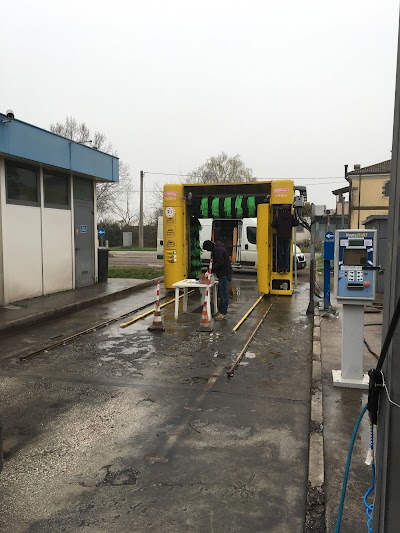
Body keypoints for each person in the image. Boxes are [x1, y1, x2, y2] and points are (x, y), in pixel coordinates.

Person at [202, 240, 232, 320]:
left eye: (207, 249)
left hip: (224, 274)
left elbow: (219, 263)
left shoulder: (218, 250)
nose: (208, 251)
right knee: (221, 293)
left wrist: (210, 270)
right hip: (224, 274)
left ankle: (223, 313)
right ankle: (220, 311)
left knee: (223, 294)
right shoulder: (218, 249)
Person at [271, 205, 299, 273]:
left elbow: (273, 225)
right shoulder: (290, 216)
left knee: (279, 253)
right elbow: (296, 223)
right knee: (286, 253)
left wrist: (276, 220)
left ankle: (280, 269)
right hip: (287, 237)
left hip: (280, 236)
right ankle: (286, 268)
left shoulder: (278, 216)